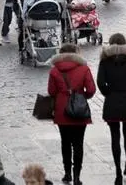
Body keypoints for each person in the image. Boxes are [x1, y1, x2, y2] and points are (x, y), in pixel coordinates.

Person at [96, 33, 126, 185]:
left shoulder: (105, 60)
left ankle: (117, 172)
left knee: (114, 137)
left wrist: (108, 94)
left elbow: (101, 82)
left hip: (112, 102)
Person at [48, 43, 95, 185]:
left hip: (62, 110)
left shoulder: (55, 70)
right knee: (78, 143)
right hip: (79, 110)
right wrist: (81, 96)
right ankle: (76, 176)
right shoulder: (84, 68)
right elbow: (92, 89)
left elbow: (51, 92)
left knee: (65, 142)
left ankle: (67, 173)